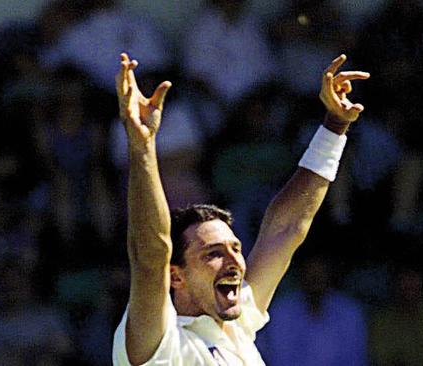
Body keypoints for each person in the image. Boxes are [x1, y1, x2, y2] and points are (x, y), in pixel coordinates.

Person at [112, 52, 369, 365]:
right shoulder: (159, 339)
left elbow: (286, 229)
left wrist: (334, 127)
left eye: (235, 248)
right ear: (176, 277)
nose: (234, 260)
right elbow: (150, 256)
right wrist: (142, 149)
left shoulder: (237, 325)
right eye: (213, 253)